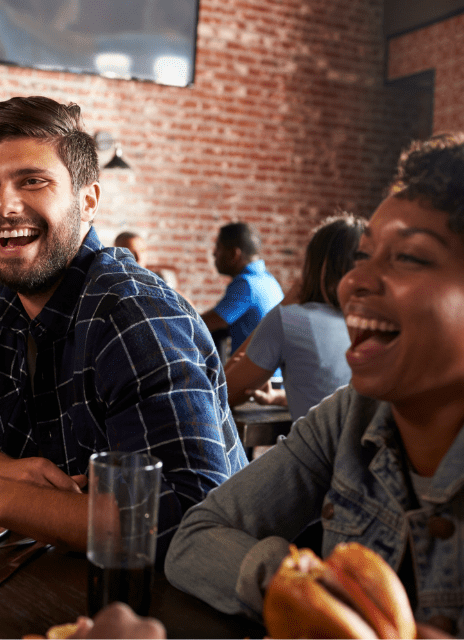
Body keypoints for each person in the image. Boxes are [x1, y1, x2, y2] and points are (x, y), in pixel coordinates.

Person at [0, 96, 247, 563]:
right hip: (39, 581)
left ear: (88, 201)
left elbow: (187, 517)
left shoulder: (133, 314)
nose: (4, 205)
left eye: (33, 181)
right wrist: (12, 473)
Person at [165, 133, 464, 638]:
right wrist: (311, 594)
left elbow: (225, 388)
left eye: (409, 257)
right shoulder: (349, 416)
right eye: (363, 257)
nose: (355, 282)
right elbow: (192, 540)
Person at [225, 214, 366, 421]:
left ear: (313, 264)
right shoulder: (376, 326)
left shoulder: (292, 319)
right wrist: (281, 398)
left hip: (320, 453)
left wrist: (283, 306)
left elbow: (223, 394)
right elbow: (336, 395)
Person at [200, 222, 284, 356]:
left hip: (257, 375)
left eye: (219, 247)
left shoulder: (246, 284)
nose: (214, 253)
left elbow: (203, 325)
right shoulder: (269, 280)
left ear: (234, 254)